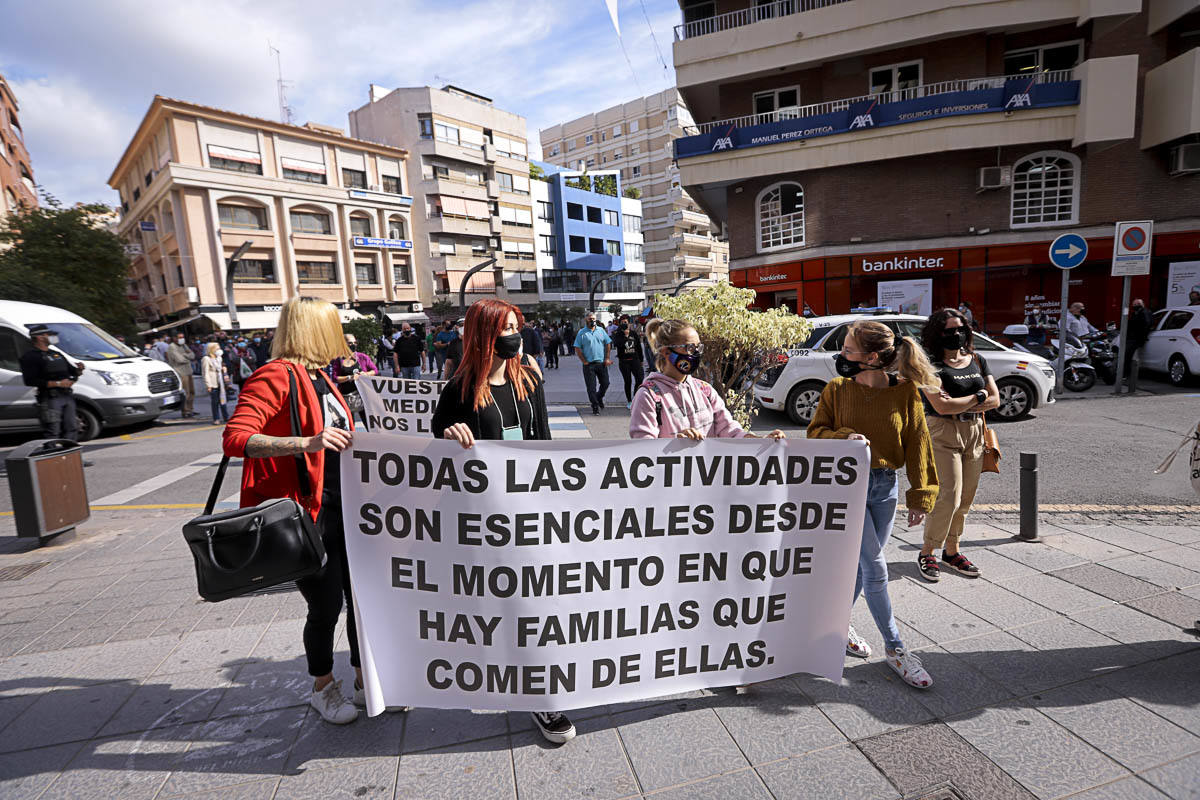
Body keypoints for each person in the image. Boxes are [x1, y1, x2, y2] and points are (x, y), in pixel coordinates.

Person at [430, 299, 571, 745]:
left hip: (532, 517)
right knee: (509, 610)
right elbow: (434, 449)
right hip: (488, 524)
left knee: (537, 607)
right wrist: (449, 435)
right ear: (483, 335)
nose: (514, 335)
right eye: (505, 328)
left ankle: (543, 693)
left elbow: (544, 439)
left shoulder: (530, 377)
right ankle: (528, 688)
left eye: (517, 326)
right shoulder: (458, 390)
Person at [223, 296, 365, 725]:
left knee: (361, 602)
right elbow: (235, 438)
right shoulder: (275, 376)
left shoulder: (321, 375)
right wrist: (307, 443)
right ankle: (324, 687)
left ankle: (365, 679)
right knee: (325, 607)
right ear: (316, 330)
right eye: (333, 326)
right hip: (308, 518)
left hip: (346, 511)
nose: (339, 334)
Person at [807, 320, 938, 689]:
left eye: (848, 350)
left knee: (864, 569)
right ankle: (896, 649)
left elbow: (918, 442)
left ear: (873, 357)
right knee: (876, 568)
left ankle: (831, 627)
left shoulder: (905, 391)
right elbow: (816, 433)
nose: (842, 356)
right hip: (846, 487)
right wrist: (846, 436)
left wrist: (921, 493)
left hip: (885, 486)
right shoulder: (836, 389)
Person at [917, 309, 999, 583]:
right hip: (942, 432)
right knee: (948, 496)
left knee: (966, 498)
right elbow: (941, 405)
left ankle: (952, 552)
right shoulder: (929, 364)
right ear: (936, 333)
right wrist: (978, 395)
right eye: (949, 330)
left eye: (961, 328)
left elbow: (996, 400)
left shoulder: (976, 359)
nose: (956, 334)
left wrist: (962, 402)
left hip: (975, 430)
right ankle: (928, 550)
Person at [630, 318, 784, 441]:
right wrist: (675, 444)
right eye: (690, 347)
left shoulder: (705, 390)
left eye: (698, 348)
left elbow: (729, 430)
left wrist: (762, 441)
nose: (696, 353)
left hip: (707, 477)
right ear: (665, 352)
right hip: (673, 478)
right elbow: (643, 448)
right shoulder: (649, 396)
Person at [19, 324, 85, 441]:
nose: (52, 336)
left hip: (67, 396)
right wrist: (57, 384)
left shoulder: (56, 354)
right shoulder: (30, 357)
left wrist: (78, 370)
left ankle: (69, 456)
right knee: (53, 431)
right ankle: (52, 455)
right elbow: (30, 380)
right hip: (50, 399)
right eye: (48, 334)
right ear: (39, 337)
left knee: (72, 427)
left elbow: (72, 372)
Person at [330, 333, 378, 426]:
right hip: (346, 397)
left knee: (369, 423)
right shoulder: (338, 360)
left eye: (355, 342)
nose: (353, 345)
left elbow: (375, 370)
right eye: (350, 343)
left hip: (362, 396)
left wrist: (366, 374)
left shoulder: (362, 357)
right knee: (350, 424)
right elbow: (335, 378)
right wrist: (350, 377)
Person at [574, 311, 612, 416]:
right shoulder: (582, 332)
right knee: (591, 387)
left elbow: (608, 343)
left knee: (606, 383)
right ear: (586, 319)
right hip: (589, 365)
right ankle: (595, 406)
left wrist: (607, 357)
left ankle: (598, 397)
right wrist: (584, 361)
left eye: (594, 319)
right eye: (590, 319)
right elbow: (577, 347)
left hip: (601, 363)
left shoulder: (601, 331)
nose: (592, 321)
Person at [612, 316, 646, 409]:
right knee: (628, 381)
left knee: (639, 379)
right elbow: (617, 345)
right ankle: (629, 401)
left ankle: (635, 397)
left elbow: (638, 347)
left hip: (635, 360)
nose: (624, 324)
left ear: (629, 323)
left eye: (626, 322)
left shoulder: (634, 333)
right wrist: (626, 337)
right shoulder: (617, 334)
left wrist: (641, 359)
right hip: (624, 362)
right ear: (620, 324)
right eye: (622, 322)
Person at [167, 333, 197, 418]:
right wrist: (188, 356)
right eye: (180, 337)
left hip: (188, 371)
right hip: (181, 372)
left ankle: (191, 409)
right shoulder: (172, 347)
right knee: (185, 393)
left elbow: (193, 355)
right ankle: (185, 411)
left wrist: (185, 356)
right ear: (174, 338)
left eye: (183, 337)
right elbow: (180, 360)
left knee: (192, 392)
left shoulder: (184, 345)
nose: (182, 339)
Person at [201, 342, 229, 425]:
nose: (219, 350)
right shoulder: (206, 359)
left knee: (223, 400)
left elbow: (220, 367)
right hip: (213, 383)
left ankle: (226, 416)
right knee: (215, 402)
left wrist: (223, 369)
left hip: (221, 382)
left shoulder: (219, 358)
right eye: (217, 349)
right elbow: (205, 373)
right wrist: (208, 385)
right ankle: (216, 418)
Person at [1126, 298, 1153, 377]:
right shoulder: (1136, 313)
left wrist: (1141, 337)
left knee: (1127, 355)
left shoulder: (1144, 312)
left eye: (1135, 305)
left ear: (1140, 305)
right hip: (1134, 337)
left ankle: (1126, 373)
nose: (1133, 306)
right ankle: (1127, 373)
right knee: (1128, 355)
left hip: (1135, 338)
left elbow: (1146, 324)